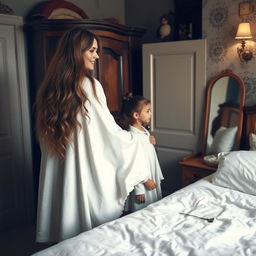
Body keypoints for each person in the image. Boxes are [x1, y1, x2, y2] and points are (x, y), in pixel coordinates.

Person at [34, 26, 156, 242]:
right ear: (76, 51)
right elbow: (108, 131)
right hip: (81, 167)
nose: (97, 56)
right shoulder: (89, 85)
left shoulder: (50, 86)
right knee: (89, 233)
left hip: (62, 163)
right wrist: (137, 137)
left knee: (68, 216)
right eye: (91, 50)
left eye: (97, 50)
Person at [119, 93, 164, 212]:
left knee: (153, 206)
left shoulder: (143, 131)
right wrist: (139, 189)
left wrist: (149, 140)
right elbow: (134, 163)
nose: (151, 114)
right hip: (142, 180)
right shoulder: (132, 136)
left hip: (150, 172)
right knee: (142, 209)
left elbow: (143, 146)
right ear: (136, 115)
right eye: (148, 111)